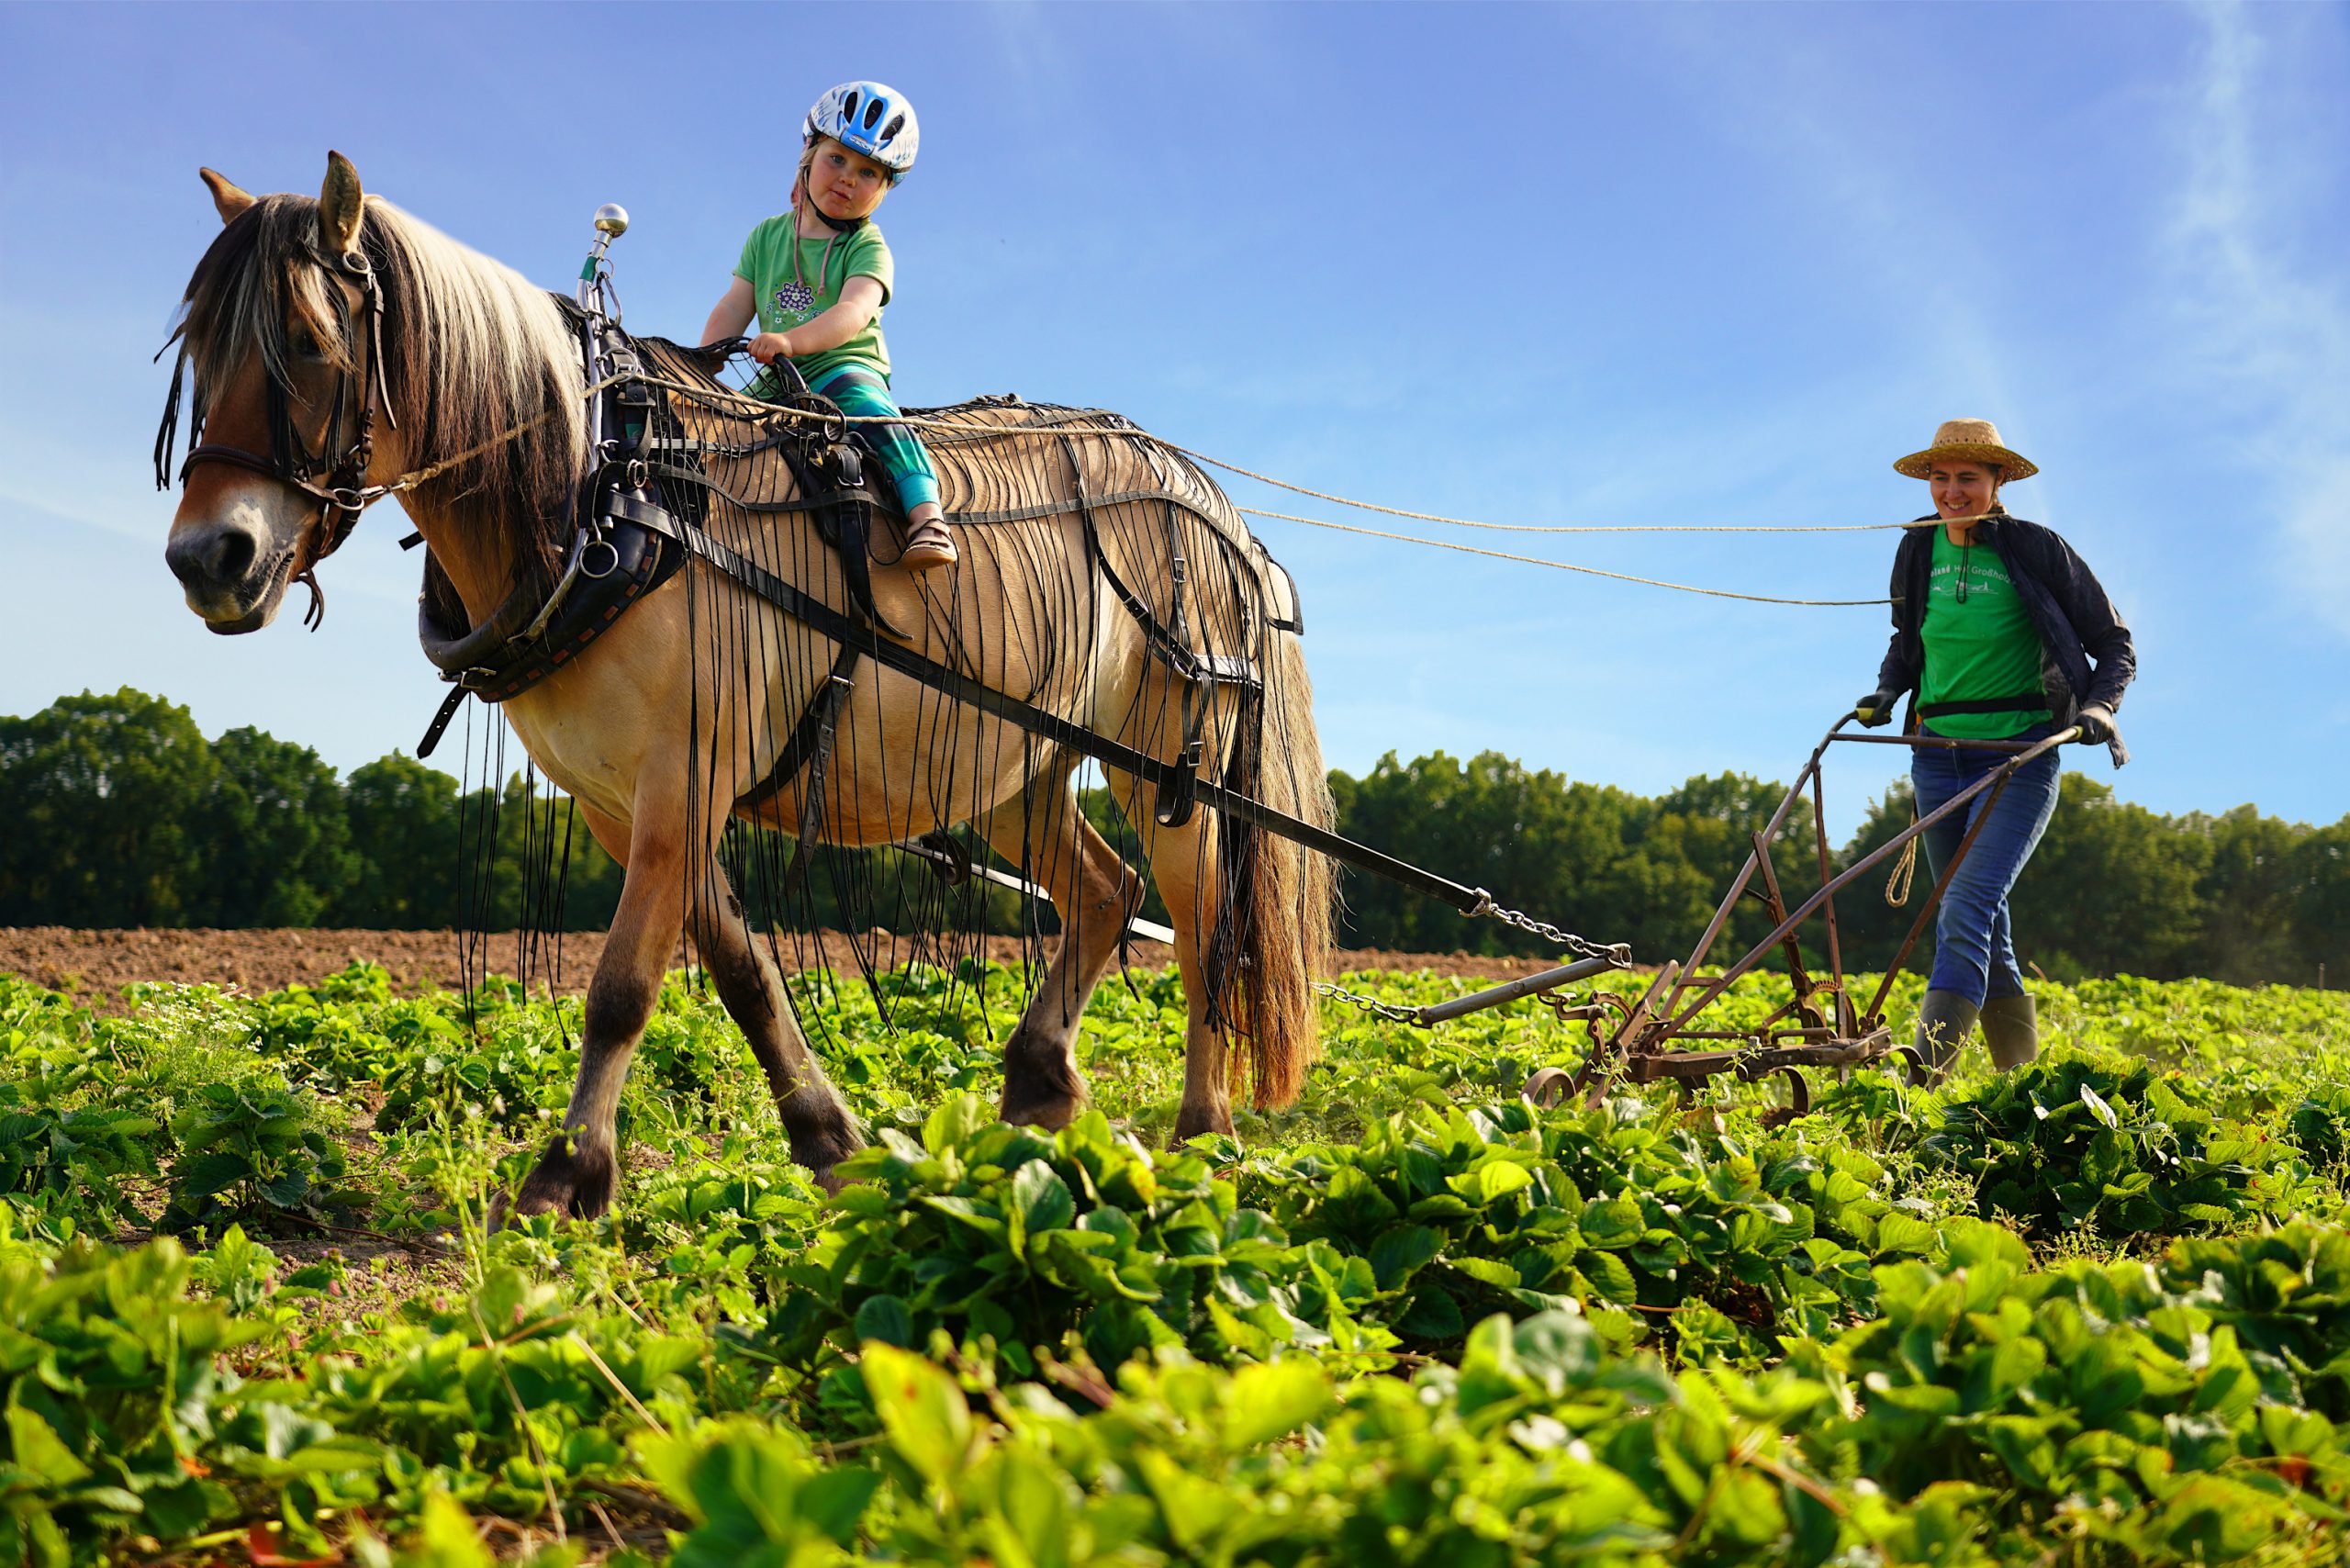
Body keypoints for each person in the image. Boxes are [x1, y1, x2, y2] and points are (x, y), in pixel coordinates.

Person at [1852, 419, 2135, 1081]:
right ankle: (2020, 1085)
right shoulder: (1917, 551)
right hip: (1935, 755)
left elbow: (2114, 642)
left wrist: (2099, 706)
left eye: (1968, 479)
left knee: (1965, 905)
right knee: (1983, 923)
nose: (1952, 492)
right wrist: (1887, 691)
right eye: (1941, 478)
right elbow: (1909, 638)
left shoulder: (2036, 549)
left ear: (1997, 482)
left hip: (2018, 757)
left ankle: (1922, 1085)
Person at [700, 81, 954, 571]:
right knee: (722, 436)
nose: (847, 179)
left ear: (882, 190)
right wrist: (700, 364)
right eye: (836, 159)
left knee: (875, 415)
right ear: (809, 156)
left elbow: (854, 312)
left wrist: (791, 340)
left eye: (867, 172)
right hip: (778, 379)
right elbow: (735, 305)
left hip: (841, 367)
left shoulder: (868, 246)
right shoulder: (768, 235)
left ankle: (926, 514)